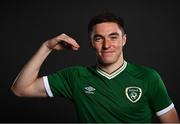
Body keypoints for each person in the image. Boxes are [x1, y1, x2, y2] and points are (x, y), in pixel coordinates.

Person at [11, 12, 179, 123]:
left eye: (113, 37)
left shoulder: (148, 77)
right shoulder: (75, 77)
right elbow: (20, 89)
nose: (107, 45)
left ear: (124, 40)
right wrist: (46, 47)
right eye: (99, 38)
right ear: (91, 43)